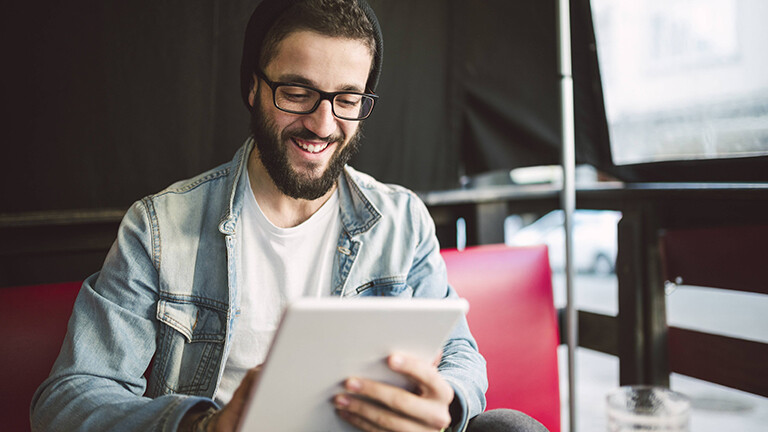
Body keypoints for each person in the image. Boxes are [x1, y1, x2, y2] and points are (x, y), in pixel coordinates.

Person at [31, 1, 548, 431]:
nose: (323, 124)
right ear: (253, 88)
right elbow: (68, 398)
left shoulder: (402, 220)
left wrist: (450, 401)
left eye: (346, 100)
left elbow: (461, 352)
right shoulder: (161, 228)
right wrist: (203, 426)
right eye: (298, 92)